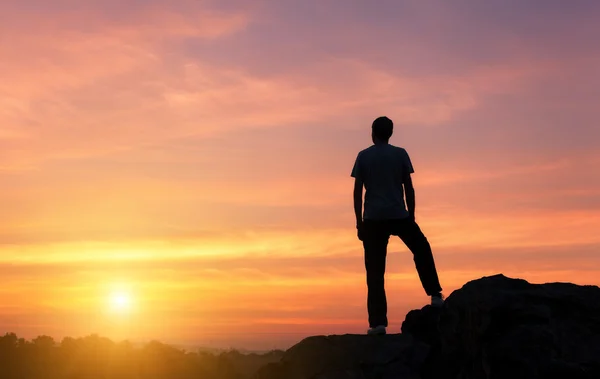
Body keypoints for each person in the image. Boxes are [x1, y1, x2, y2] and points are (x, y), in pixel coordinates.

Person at [351, 116, 443, 335]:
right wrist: (411, 216)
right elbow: (409, 188)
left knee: (375, 272)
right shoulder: (400, 154)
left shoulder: (364, 156)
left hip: (373, 219)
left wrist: (359, 223)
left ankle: (378, 323)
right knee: (421, 247)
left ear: (373, 132)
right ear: (390, 133)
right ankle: (435, 294)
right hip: (398, 215)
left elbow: (357, 192)